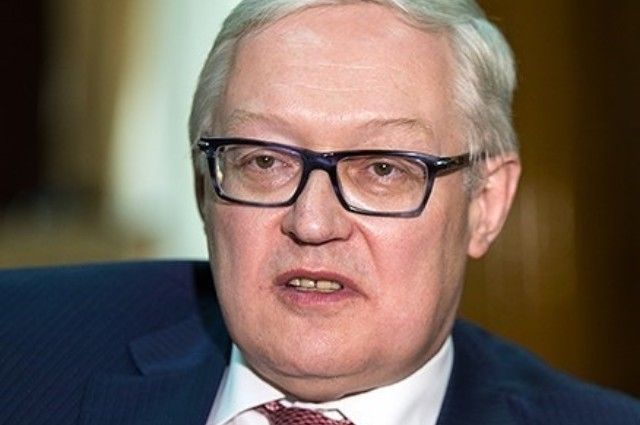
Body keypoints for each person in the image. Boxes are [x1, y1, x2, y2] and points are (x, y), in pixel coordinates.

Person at [0, 1, 638, 424]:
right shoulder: (20, 349)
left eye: (383, 169)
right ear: (204, 187)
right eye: (264, 161)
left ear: (486, 203)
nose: (312, 223)